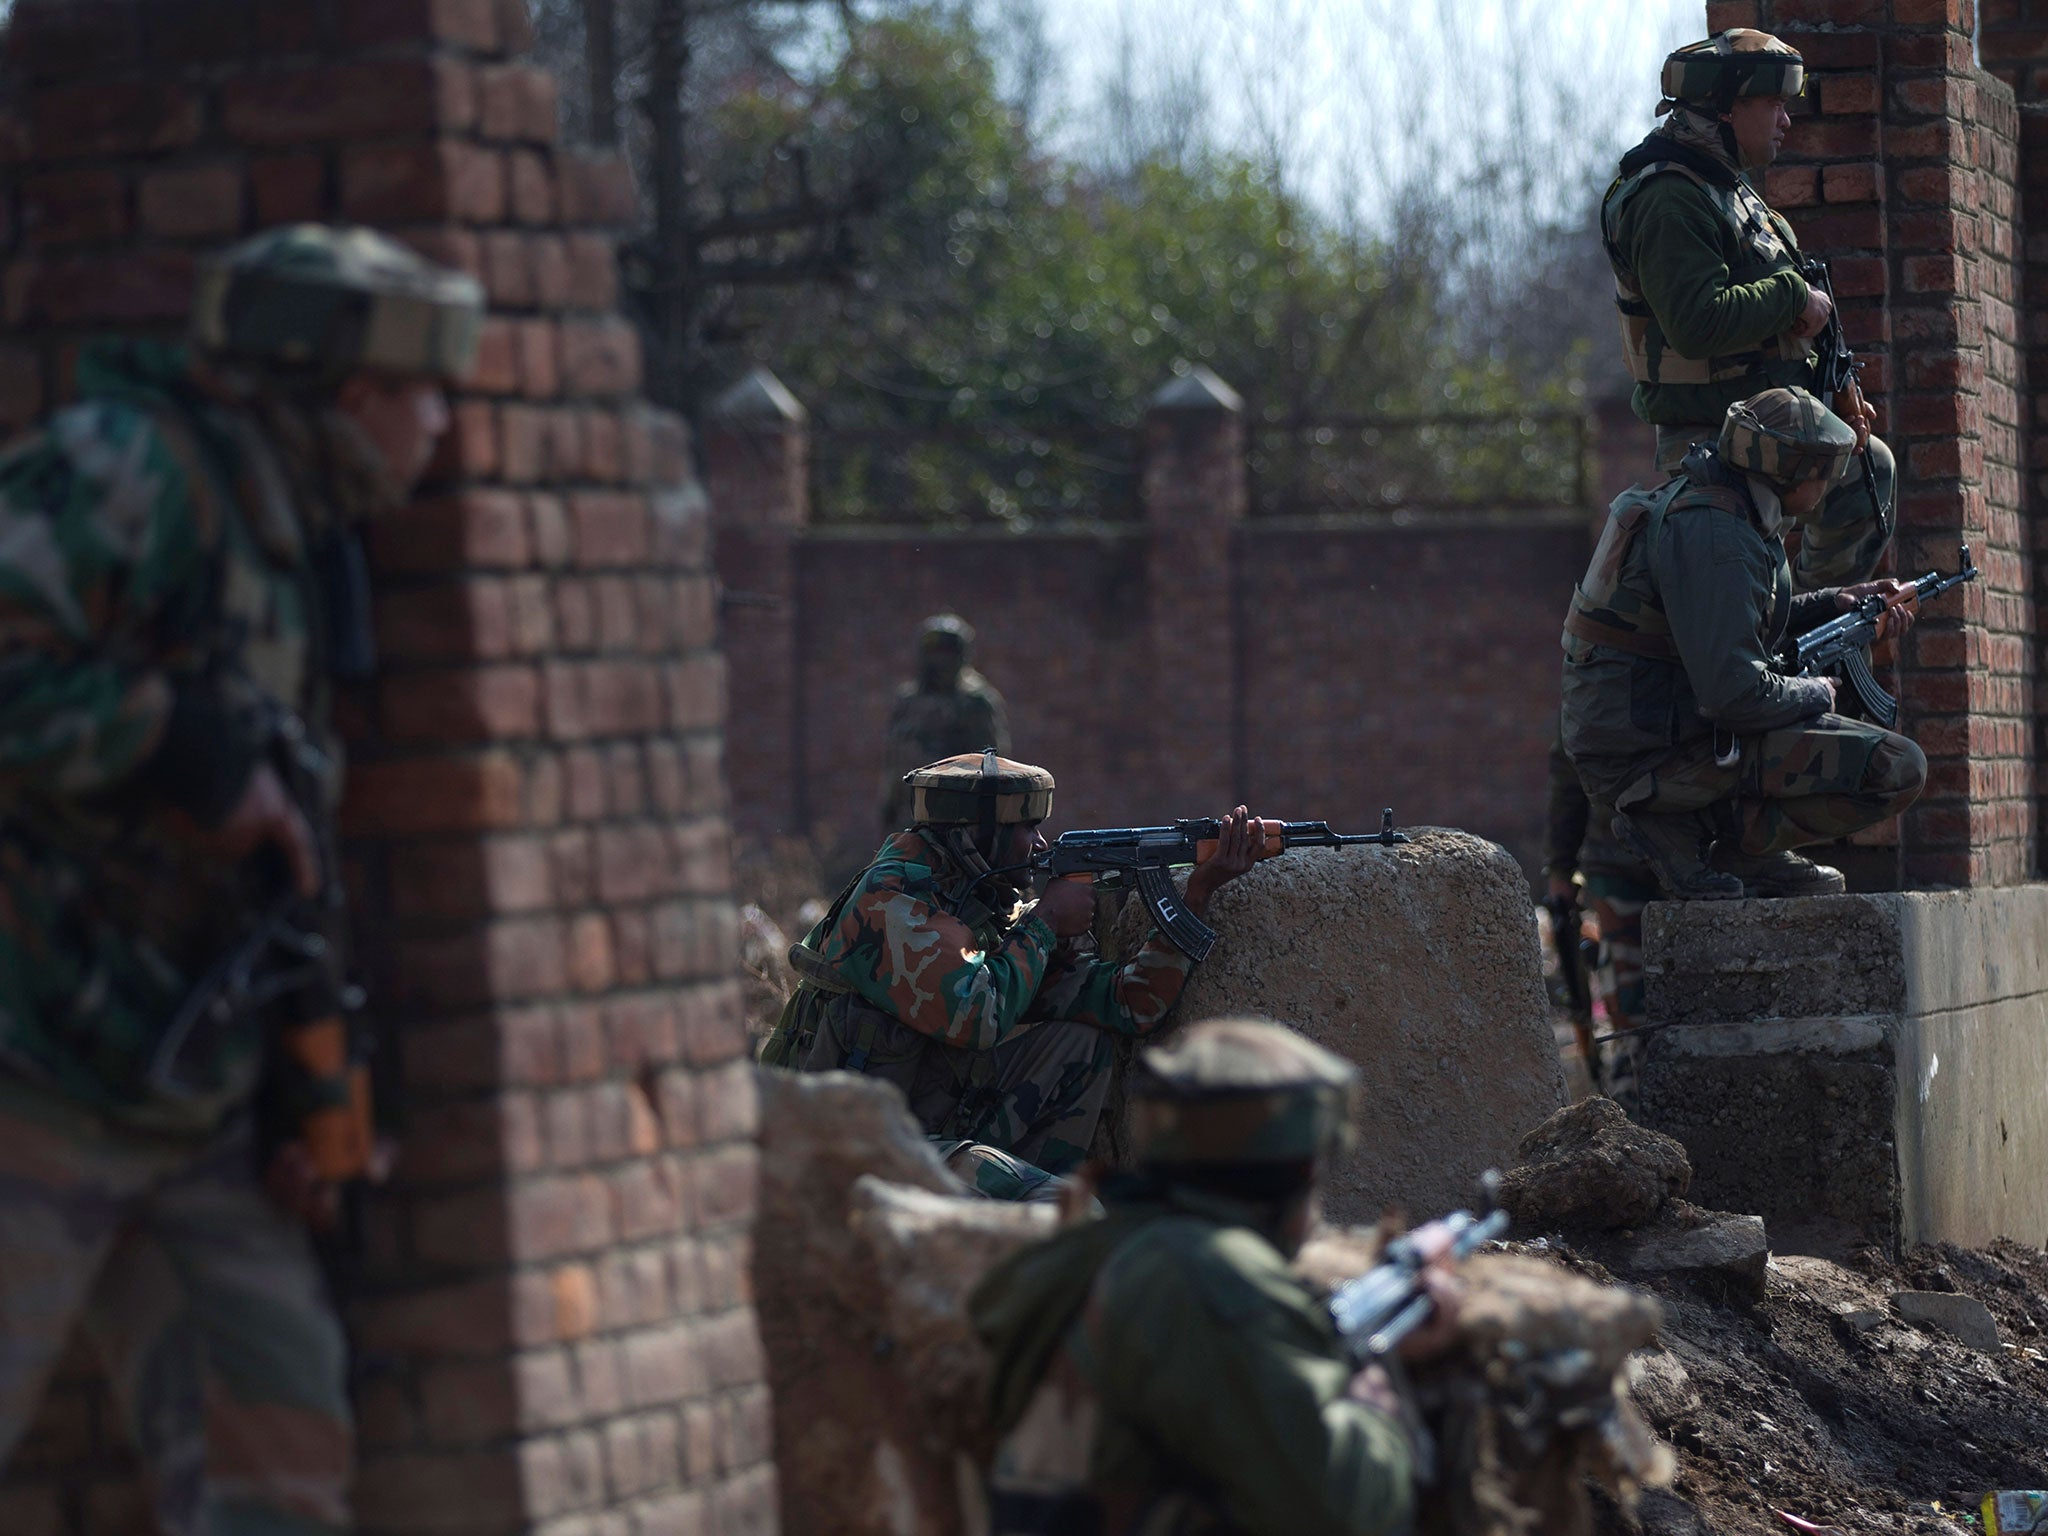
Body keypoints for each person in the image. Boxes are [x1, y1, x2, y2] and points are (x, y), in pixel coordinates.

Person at [0, 225, 481, 1533]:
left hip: (179, 1096)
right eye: (423, 392)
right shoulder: (135, 469)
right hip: (32, 1064)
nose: (441, 425)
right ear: (348, 394)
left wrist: (293, 1086)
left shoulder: (294, 543)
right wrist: (175, 747)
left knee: (281, 1444)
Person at [969, 1016, 1461, 1536]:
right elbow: (1343, 1512)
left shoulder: (1101, 1247)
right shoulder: (1207, 1274)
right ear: (1301, 1175)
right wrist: (1378, 1396)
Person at [765, 750, 1262, 1199]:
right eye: (1026, 829)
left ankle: (1024, 1211)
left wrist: (1197, 895)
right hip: (838, 1151)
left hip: (919, 1126)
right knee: (1060, 1206)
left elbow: (1131, 1004)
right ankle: (1032, 1221)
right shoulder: (891, 903)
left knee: (1081, 1045)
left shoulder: (980, 901)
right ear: (977, 832)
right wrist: (1045, 924)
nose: (1039, 842)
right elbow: (976, 1017)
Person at [1560, 387, 1926, 903]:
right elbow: (1733, 694)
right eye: (1823, 468)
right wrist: (1818, 692)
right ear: (1792, 471)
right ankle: (1696, 834)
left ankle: (1740, 845)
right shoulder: (1718, 537)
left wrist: (1835, 602)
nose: (1829, 482)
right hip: (1646, 760)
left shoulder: (1728, 508)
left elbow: (1739, 621)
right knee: (1897, 769)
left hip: (1659, 731)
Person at [1603, 28, 1892, 588]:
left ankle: (1815, 631)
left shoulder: (1730, 192)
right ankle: (1802, 638)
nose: (1786, 120)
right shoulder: (1668, 197)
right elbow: (1696, 321)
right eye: (1773, 104)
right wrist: (1790, 297)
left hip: (1764, 430)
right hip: (1714, 442)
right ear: (1728, 109)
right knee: (1757, 598)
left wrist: (1835, 388)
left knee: (1865, 469)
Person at [1543, 734, 1658, 1104]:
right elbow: (1568, 769)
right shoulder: (1595, 678)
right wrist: (1561, 869)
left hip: (1700, 856)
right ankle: (1633, 1122)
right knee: (1631, 1018)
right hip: (1621, 865)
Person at [878, 612, 1011, 834]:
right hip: (910, 815)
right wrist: (889, 804)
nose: (940, 660)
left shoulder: (976, 701)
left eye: (947, 652)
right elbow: (894, 757)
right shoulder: (909, 701)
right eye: (934, 652)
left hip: (959, 818)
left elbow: (993, 763)